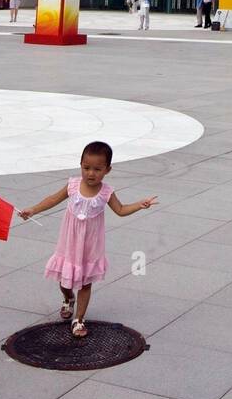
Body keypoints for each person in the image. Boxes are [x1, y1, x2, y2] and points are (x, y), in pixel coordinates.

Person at [19, 141, 158, 338]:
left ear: (107, 170)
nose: (91, 173)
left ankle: (79, 319)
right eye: (86, 168)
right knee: (65, 281)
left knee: (85, 282)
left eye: (97, 169)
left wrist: (140, 205)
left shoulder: (106, 192)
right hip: (69, 244)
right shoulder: (73, 185)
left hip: (90, 247)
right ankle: (68, 298)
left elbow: (121, 210)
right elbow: (52, 199)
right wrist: (33, 209)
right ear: (80, 165)